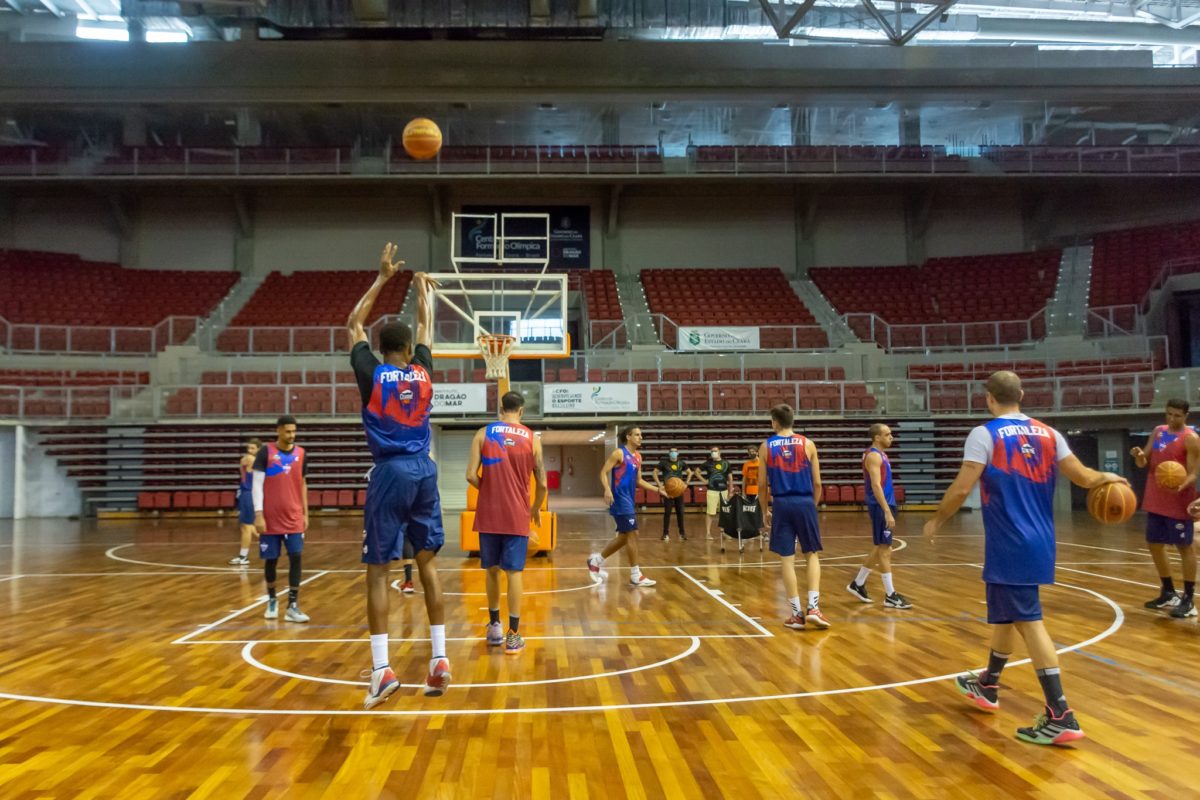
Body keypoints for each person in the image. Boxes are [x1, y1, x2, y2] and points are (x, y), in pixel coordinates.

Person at [923, 371, 1127, 746]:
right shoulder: (1050, 434)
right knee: (1008, 614)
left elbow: (963, 486)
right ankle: (988, 684)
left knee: (1030, 622)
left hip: (1010, 542)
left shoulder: (985, 434)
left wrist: (936, 519)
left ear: (989, 398)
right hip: (1040, 540)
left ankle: (1060, 713)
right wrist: (1111, 480)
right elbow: (1083, 476)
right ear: (1021, 395)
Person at [347, 242, 448, 709]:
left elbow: (352, 324)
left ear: (383, 349)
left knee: (377, 571)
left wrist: (384, 277)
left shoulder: (371, 371)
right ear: (409, 351)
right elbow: (427, 326)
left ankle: (382, 669)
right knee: (427, 564)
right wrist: (423, 289)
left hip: (388, 471)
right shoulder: (424, 372)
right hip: (425, 470)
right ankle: (440, 658)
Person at [465, 391, 548, 655]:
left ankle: (494, 627)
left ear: (501, 409)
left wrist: (487, 489)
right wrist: (534, 510)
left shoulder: (482, 433)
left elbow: (470, 475)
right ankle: (513, 635)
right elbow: (543, 484)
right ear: (521, 411)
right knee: (514, 573)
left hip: (488, 513)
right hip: (516, 514)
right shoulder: (532, 439)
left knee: (491, 570)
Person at [758, 404, 831, 631]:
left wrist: (764, 511)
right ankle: (814, 608)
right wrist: (812, 504)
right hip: (804, 502)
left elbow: (762, 485)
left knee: (787, 559)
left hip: (781, 503)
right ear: (792, 420)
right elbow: (818, 482)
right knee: (811, 554)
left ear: (774, 422)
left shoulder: (766, 446)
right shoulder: (807, 444)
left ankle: (797, 614)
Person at [1130, 399, 1199, 619]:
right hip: (1155, 499)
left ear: (1186, 416)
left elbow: (1194, 473)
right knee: (1154, 544)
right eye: (1169, 414)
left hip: (1179, 501)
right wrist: (1139, 456)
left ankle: (1189, 599)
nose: (1172, 419)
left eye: (1177, 415)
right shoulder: (1159, 432)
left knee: (1184, 547)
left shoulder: (1191, 439)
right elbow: (1145, 463)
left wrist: (1180, 484)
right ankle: (1168, 591)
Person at [847, 424, 912, 609]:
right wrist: (886, 510)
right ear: (877, 437)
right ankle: (890, 595)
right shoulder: (874, 456)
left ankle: (858, 584)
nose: (891, 437)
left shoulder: (881, 454)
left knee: (880, 547)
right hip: (880, 506)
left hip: (884, 504)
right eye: (887, 434)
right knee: (885, 550)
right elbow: (876, 486)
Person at [589, 426, 663, 587]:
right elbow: (603, 472)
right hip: (620, 500)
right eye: (637, 435)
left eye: (641, 435)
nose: (640, 437)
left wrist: (658, 490)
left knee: (624, 537)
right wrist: (607, 489)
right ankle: (636, 574)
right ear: (628, 437)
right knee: (633, 534)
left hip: (629, 500)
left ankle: (595, 561)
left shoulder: (638, 457)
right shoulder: (619, 453)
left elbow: (639, 481)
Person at [252, 417, 309, 624]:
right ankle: (272, 600)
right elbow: (257, 485)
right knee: (272, 559)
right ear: (278, 431)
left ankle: (293, 605)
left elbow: (303, 484)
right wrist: (258, 514)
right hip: (270, 517)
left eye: (294, 431)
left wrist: (305, 513)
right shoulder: (265, 453)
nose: (291, 435)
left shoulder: (301, 454)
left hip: (293, 516)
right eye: (287, 432)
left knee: (296, 556)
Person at [229, 437, 261, 566]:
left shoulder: (249, 459)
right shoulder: (252, 459)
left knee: (246, 527)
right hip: (245, 492)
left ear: (258, 449)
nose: (249, 450)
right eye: (248, 448)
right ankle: (266, 539)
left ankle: (243, 557)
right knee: (245, 525)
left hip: (248, 493)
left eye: (253, 448)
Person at [652, 447, 694, 542]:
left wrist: (686, 484)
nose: (673, 453)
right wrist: (660, 485)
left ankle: (682, 533)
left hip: (679, 491)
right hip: (668, 491)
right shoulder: (664, 462)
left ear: (678, 453)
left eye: (675, 451)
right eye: (672, 451)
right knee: (667, 512)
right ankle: (665, 534)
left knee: (680, 512)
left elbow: (690, 473)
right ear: (669, 453)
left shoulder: (681, 463)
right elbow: (654, 472)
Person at [701, 446, 732, 540]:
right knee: (710, 512)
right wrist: (703, 480)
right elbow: (697, 471)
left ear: (719, 452)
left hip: (724, 491)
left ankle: (724, 532)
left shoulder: (726, 463)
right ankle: (708, 533)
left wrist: (731, 490)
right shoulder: (708, 463)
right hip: (712, 491)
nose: (713, 452)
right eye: (712, 451)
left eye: (715, 451)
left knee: (724, 512)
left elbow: (730, 477)